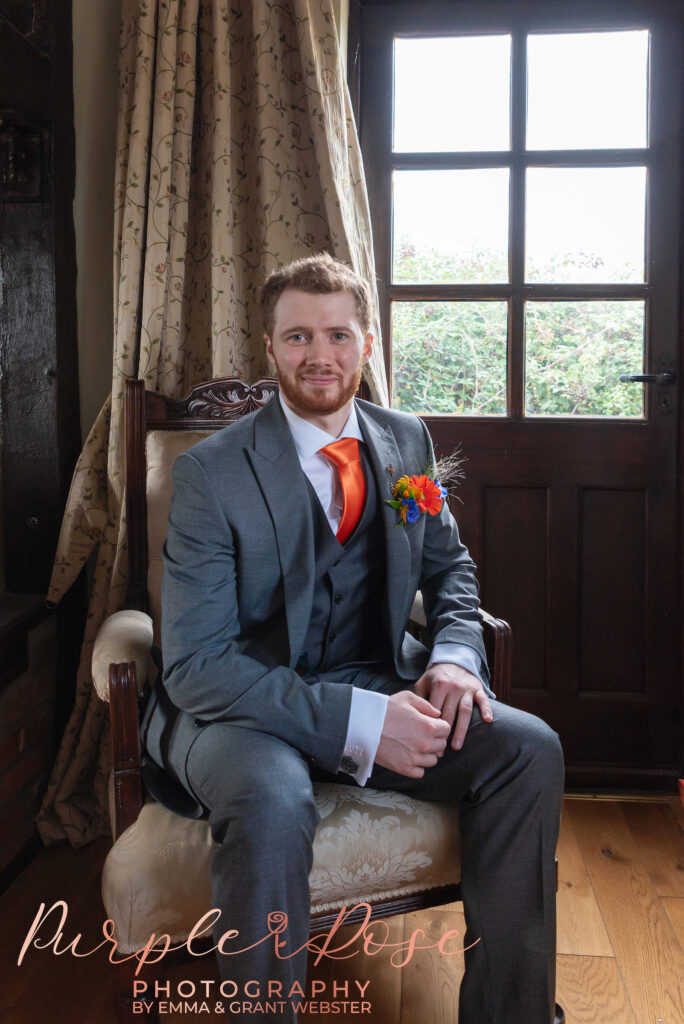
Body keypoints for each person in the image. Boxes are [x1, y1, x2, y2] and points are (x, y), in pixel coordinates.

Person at [141, 253, 565, 1024]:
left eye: (338, 334)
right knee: (271, 797)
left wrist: (455, 657)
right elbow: (197, 666)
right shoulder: (210, 474)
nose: (320, 355)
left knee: (529, 750)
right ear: (269, 348)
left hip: (374, 672)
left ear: (367, 344)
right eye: (298, 336)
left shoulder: (406, 440)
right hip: (234, 709)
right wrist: (363, 723)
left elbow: (452, 571)